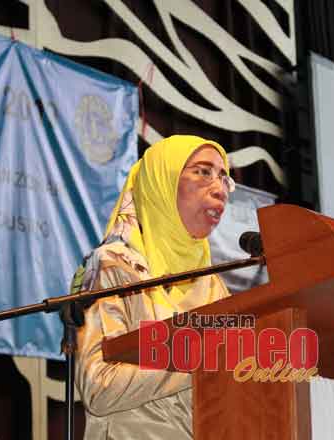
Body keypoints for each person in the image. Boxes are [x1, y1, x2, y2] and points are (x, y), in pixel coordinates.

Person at [74, 135, 234, 439]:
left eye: (225, 178)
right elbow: (99, 387)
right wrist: (201, 358)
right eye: (203, 172)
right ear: (162, 181)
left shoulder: (214, 286)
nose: (220, 189)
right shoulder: (113, 267)